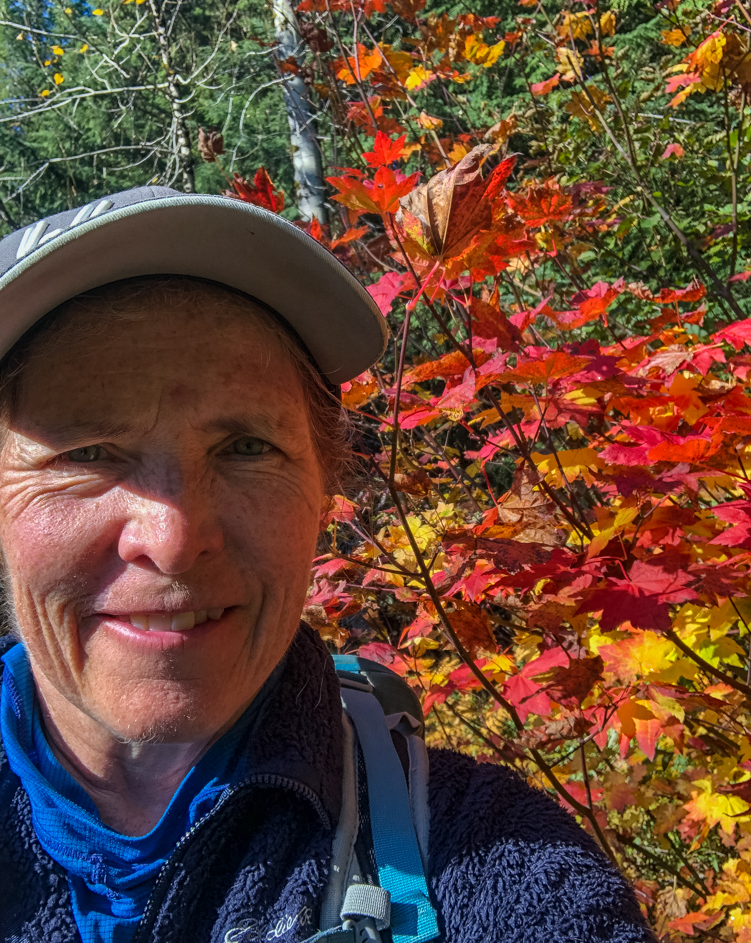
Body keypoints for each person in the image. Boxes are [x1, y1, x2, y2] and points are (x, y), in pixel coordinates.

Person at [0, 187, 655, 943]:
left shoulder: (502, 870)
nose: (175, 538)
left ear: (324, 486)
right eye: (87, 453)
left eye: (246, 447)